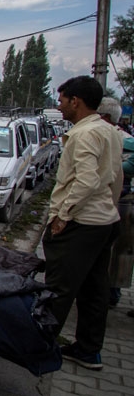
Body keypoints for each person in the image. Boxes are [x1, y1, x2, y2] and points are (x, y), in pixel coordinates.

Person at [42, 76, 122, 370]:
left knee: (58, 290)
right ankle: (88, 350)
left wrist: (63, 215)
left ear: (76, 100)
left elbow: (86, 180)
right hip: (104, 221)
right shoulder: (109, 130)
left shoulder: (83, 134)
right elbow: (115, 177)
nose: (59, 106)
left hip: (82, 223)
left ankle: (40, 347)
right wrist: (110, 209)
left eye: (62, 100)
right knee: (94, 291)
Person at [96, 98, 134, 310]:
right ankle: (109, 294)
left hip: (119, 203)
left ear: (105, 117)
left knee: (116, 253)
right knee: (116, 253)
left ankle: (109, 294)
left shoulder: (120, 139)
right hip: (115, 203)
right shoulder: (121, 137)